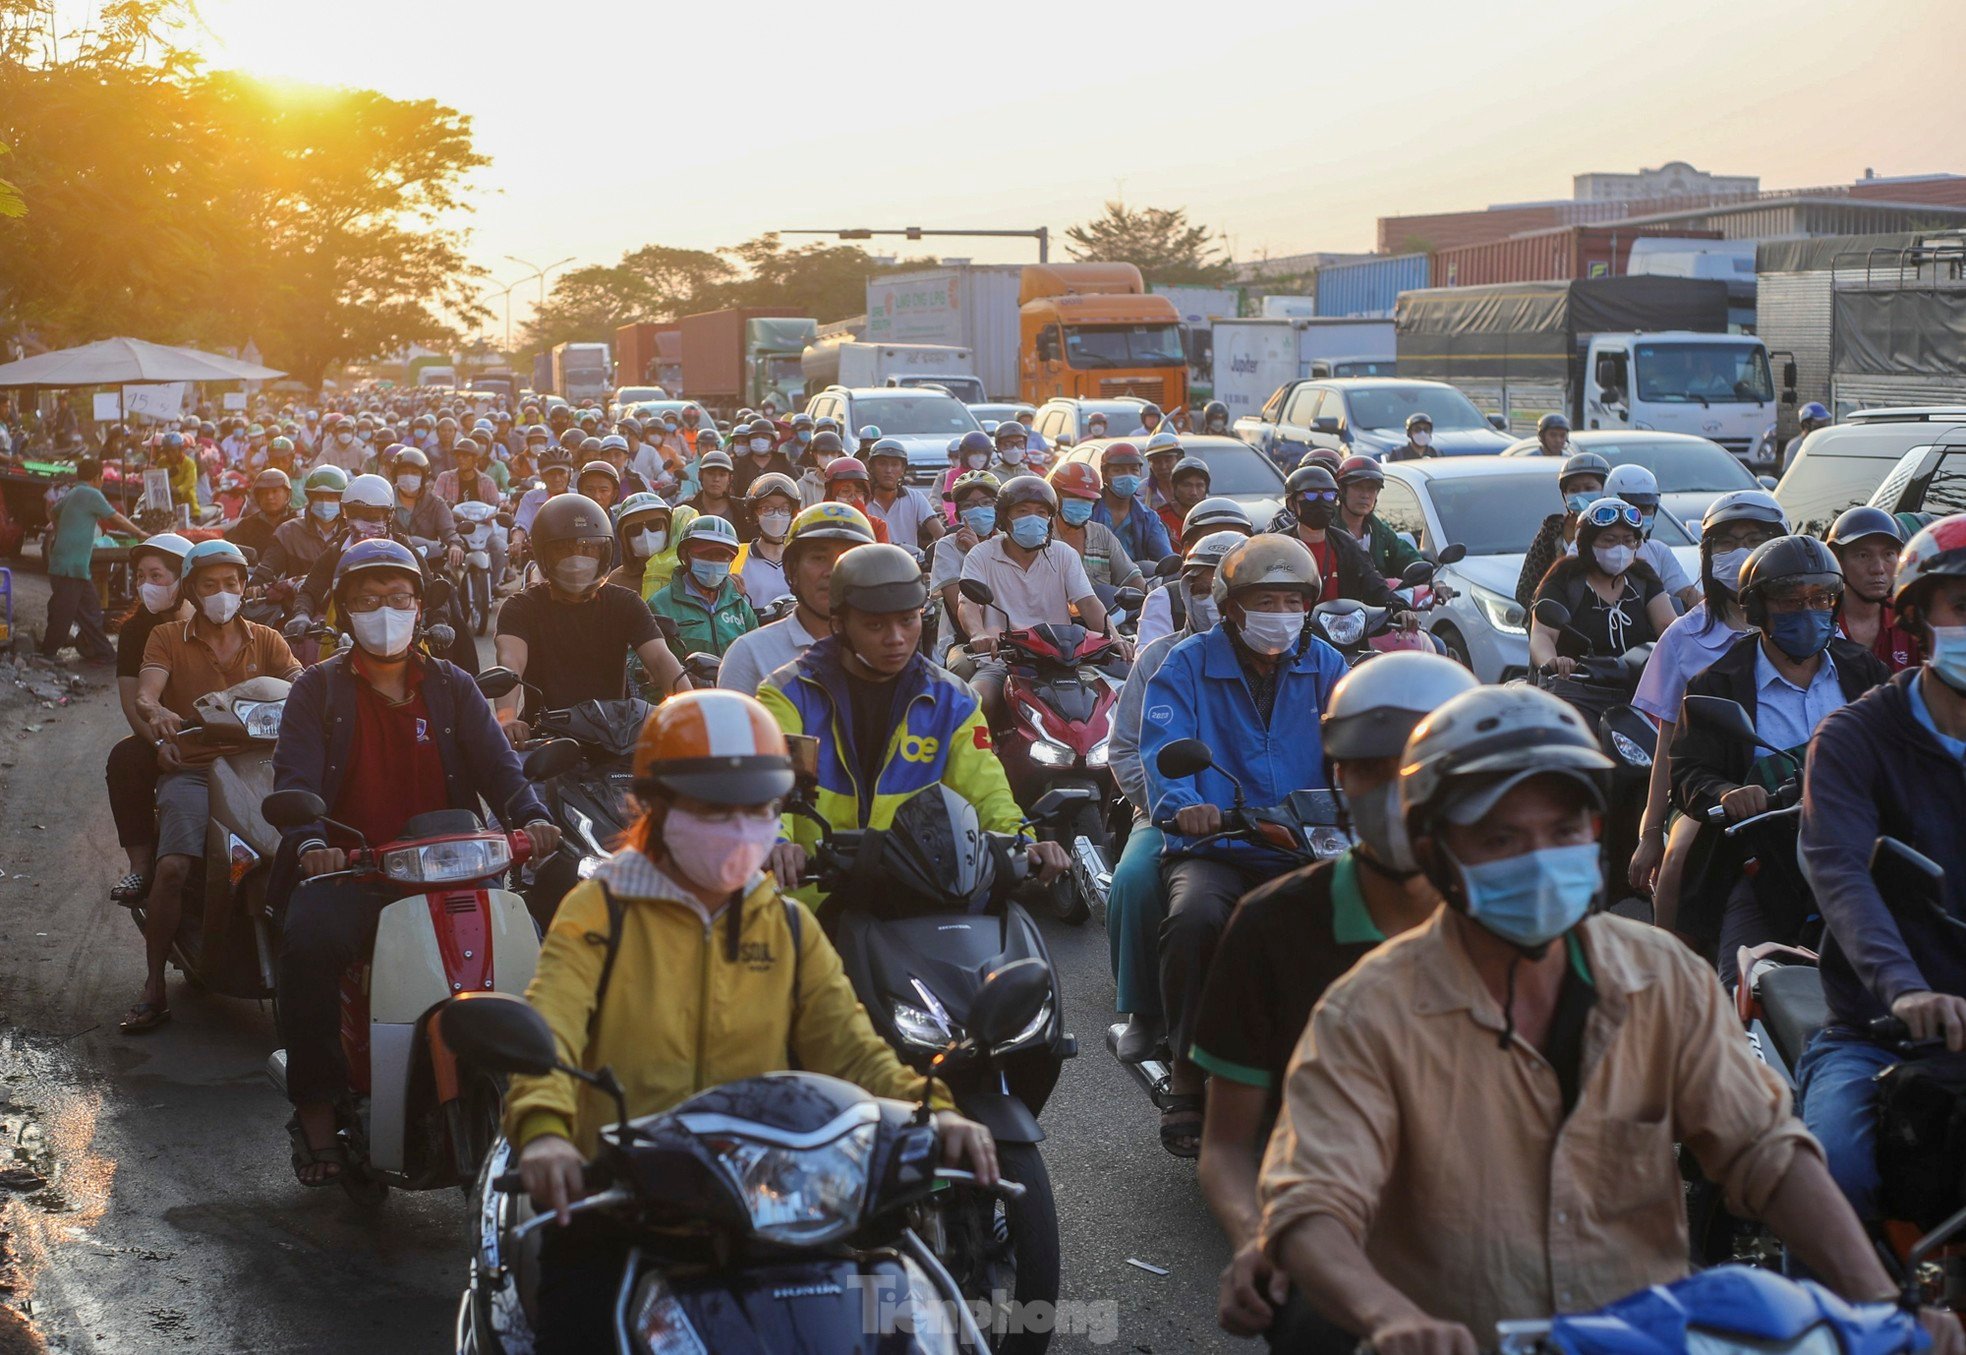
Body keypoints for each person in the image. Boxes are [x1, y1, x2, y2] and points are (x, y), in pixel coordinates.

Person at [1257, 683, 1954, 1355]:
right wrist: (1393, 1319)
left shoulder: (1662, 977)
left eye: (1561, 830)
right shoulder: (1367, 1011)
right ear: (1435, 849)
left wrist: (1886, 1311)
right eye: (1500, 837)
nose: (1537, 858)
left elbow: (1764, 1151)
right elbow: (1313, 1204)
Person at [504, 689, 1000, 1355]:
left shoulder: (787, 922)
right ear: (653, 806)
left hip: (777, 1204)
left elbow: (854, 1051)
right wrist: (544, 1133)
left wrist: (934, 1110)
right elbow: (550, 1028)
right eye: (716, 808)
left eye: (759, 807)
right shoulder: (600, 910)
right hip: (621, 1202)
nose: (741, 826)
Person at [1195, 653, 1476, 1348]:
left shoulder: (1514, 915)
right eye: (1370, 772)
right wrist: (1258, 1236)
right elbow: (1226, 1145)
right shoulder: (1272, 927)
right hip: (1333, 1227)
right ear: (1337, 780)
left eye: (1421, 769)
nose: (1396, 793)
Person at [271, 539, 563, 1186]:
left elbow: (502, 768)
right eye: (368, 600)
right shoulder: (315, 692)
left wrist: (533, 817)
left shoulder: (455, 685)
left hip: (456, 868)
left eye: (398, 599)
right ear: (343, 610)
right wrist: (313, 843)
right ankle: (317, 1111)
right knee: (309, 942)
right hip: (358, 871)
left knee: (550, 929)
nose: (385, 611)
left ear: (420, 607)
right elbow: (294, 781)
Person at [1137, 535, 1348, 1156]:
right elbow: (1164, 755)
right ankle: (1186, 1070)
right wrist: (1188, 809)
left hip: (1312, 846)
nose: (1280, 611)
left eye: (1292, 599)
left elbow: (1357, 746)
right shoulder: (1186, 666)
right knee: (1194, 919)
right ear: (1230, 605)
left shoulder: (1330, 667)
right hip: (1220, 849)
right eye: (1265, 599)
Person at [1797, 512, 1966, 1227]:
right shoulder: (1854, 738)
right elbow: (1841, 874)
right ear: (1919, 616)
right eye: (1964, 604)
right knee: (1834, 1177)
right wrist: (1904, 990)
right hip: (1878, 1035)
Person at [757, 542, 1070, 897]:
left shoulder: (954, 699)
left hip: (923, 896)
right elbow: (768, 794)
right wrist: (776, 842)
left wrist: (1020, 841)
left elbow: (986, 787)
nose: (896, 639)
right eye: (875, 625)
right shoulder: (785, 695)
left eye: (908, 620)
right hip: (815, 903)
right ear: (839, 625)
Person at [1671, 535, 1888, 983]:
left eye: (1821, 599)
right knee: (1742, 985)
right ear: (1757, 609)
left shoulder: (1865, 671)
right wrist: (1727, 792)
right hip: (1764, 862)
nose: (1809, 612)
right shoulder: (1718, 683)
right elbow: (1689, 772)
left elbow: (1902, 747)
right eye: (1791, 601)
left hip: (1861, 851)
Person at [124, 540, 304, 1033]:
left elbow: (299, 683)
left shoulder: (267, 638)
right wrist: (156, 710)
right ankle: (154, 984)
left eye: (231, 583)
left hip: (261, 768)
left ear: (244, 587)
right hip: (194, 767)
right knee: (175, 869)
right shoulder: (165, 636)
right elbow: (147, 689)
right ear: (192, 590)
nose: (222, 593)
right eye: (210, 585)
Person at [1106, 530, 1245, 1066]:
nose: (1206, 592)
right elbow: (1125, 750)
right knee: (1135, 880)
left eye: (1218, 581)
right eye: (1195, 581)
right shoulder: (1159, 659)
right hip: (1168, 814)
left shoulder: (1295, 659)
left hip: (1260, 816)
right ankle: (1144, 1010)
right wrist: (1170, 806)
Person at [1626, 491, 1788, 924]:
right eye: (1726, 543)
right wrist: (1650, 833)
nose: (1740, 553)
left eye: (1755, 539)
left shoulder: (1810, 627)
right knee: (1677, 870)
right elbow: (1668, 745)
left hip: (1800, 784)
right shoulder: (1685, 637)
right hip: (1709, 792)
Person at [493, 494, 687, 744]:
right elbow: (510, 663)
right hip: (545, 737)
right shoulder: (520, 607)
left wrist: (689, 710)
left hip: (617, 735)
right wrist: (506, 717)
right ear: (544, 554)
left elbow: (660, 659)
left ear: (604, 552)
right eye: (564, 549)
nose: (577, 558)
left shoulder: (625, 603)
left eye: (588, 549)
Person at [955, 475, 1118, 731]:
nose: (1033, 518)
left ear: (1050, 519)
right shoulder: (982, 554)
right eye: (1022, 511)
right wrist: (978, 634)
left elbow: (1088, 603)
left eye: (1041, 512)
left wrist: (1115, 638)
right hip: (1003, 661)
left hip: (1063, 662)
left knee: (1110, 708)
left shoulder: (1064, 554)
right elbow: (968, 605)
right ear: (1004, 518)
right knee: (976, 703)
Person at [1529, 499, 1678, 726]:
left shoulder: (1642, 577)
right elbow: (1542, 635)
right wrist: (1554, 662)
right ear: (1586, 544)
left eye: (1628, 540)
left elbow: (1669, 627)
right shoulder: (1564, 579)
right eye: (1609, 540)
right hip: (1578, 695)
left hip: (1640, 694)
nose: (1620, 548)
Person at [105, 533, 194, 906]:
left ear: (185, 578)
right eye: (141, 576)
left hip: (222, 736)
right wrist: (158, 742)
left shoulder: (223, 622)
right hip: (163, 735)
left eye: (156, 576)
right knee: (124, 759)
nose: (146, 585)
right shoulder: (136, 631)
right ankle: (141, 865)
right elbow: (132, 702)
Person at [719, 503, 875, 695]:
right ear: (793, 570)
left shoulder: (884, 649)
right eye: (819, 558)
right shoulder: (750, 654)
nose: (832, 571)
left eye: (847, 559)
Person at [1272, 465, 1416, 623]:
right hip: (1289, 634)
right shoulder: (1277, 547)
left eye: (1328, 495)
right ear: (1292, 503)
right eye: (1311, 495)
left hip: (1343, 633)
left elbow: (1373, 583)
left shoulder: (1347, 545)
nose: (1321, 501)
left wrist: (1400, 608)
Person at [43, 457, 141, 665]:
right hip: (70, 567)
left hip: (69, 565)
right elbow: (116, 519)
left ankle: (104, 653)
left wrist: (61, 533)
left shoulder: (73, 493)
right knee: (65, 612)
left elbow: (53, 512)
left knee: (91, 610)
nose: (102, 482)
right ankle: (49, 653)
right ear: (97, 478)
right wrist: (142, 533)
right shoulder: (90, 493)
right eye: (102, 478)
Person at [1136, 498, 1254, 649]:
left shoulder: (1268, 599)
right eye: (1203, 590)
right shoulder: (1167, 599)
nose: (1226, 545)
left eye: (1236, 540)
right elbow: (1150, 664)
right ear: (1187, 549)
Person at [647, 514, 759, 662]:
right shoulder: (660, 604)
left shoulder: (739, 606)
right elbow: (638, 662)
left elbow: (758, 654)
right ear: (684, 555)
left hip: (730, 685)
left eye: (722, 555)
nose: (714, 561)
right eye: (705, 554)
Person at [1826, 506, 1918, 673]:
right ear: (1838, 560)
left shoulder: (1911, 620)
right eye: (1863, 555)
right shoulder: (1820, 623)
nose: (1878, 568)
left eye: (1888, 554)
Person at [1515, 451, 1611, 610]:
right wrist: (1549, 614)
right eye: (1574, 490)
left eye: (1589, 488)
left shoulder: (1618, 529)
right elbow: (1525, 589)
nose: (1581, 493)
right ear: (1565, 495)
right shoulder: (1552, 530)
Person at [1601, 463, 1697, 607]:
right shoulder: (1587, 551)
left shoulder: (1658, 551)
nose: (1639, 515)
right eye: (1632, 508)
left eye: (1646, 508)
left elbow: (1688, 594)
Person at [928, 471, 999, 662]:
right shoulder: (947, 546)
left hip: (1012, 634)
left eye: (986, 503)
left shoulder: (1008, 543)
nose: (978, 510)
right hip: (964, 640)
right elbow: (957, 603)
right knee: (963, 667)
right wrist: (976, 553)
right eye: (968, 505)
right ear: (959, 514)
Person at [1047, 461, 1143, 593]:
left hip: (1102, 611)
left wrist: (1145, 601)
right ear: (1056, 497)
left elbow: (1130, 576)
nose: (1082, 503)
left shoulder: (1102, 535)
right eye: (1074, 496)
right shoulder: (1042, 536)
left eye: (1088, 499)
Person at [1333, 456, 1425, 581]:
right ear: (1342, 490)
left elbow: (1407, 557)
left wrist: (1435, 582)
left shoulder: (1381, 532)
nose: (1365, 495)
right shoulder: (1326, 529)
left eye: (1371, 489)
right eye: (1358, 487)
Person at [1090, 441, 1173, 566]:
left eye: (1133, 470)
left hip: (1135, 581)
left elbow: (1165, 556)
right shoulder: (1088, 511)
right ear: (1104, 474)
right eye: (1118, 470)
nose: (1127, 476)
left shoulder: (1149, 518)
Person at [732, 472, 800, 606]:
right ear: (754, 513)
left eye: (784, 508)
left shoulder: (799, 559)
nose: (776, 515)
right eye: (767, 508)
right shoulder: (736, 556)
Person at [863, 437, 943, 549]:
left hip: (909, 564)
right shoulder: (862, 500)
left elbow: (940, 534)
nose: (888, 470)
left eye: (895, 464)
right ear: (871, 467)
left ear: (903, 470)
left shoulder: (915, 498)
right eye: (882, 464)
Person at [607, 492, 679, 594]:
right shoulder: (615, 582)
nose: (646, 534)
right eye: (635, 529)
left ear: (668, 527)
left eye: (654, 524)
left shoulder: (683, 574)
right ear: (624, 537)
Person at [224, 468, 296, 559]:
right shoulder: (246, 526)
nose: (270, 497)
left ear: (287, 494)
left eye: (275, 491)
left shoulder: (299, 523)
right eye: (264, 493)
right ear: (258, 497)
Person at [681, 448, 746, 535]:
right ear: (700, 476)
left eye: (722, 475)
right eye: (710, 473)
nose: (716, 479)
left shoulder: (743, 510)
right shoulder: (685, 511)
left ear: (730, 479)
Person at [820, 455, 887, 540]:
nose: (852, 498)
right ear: (831, 494)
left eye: (858, 492)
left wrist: (862, 521)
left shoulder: (877, 526)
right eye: (845, 491)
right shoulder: (817, 522)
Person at [729, 418, 797, 498]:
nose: (759, 441)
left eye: (764, 437)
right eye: (755, 437)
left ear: (772, 441)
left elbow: (796, 484)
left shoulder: (782, 461)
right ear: (749, 440)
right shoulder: (739, 464)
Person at [1156, 454, 1212, 539]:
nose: (1194, 492)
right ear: (1175, 487)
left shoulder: (1213, 518)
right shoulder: (1159, 518)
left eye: (1199, 486)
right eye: (1187, 485)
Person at [798, 428, 845, 509]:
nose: (829, 457)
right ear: (815, 455)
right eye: (824, 453)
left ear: (838, 455)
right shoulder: (802, 485)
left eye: (833, 453)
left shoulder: (845, 485)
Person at [1784, 401, 1832, 473]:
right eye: (1818, 422)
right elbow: (1787, 473)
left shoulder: (1827, 444)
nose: (1823, 425)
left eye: (1824, 422)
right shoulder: (1794, 447)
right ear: (1806, 423)